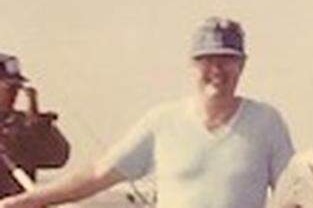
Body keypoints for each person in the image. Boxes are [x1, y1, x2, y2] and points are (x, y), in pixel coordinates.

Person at [0, 18, 296, 208]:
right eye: (207, 60)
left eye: (226, 60)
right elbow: (97, 174)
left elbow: (295, 196)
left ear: (242, 65)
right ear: (193, 65)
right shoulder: (162, 122)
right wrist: (29, 200)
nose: (217, 70)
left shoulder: (266, 122)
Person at [0, 55, 69, 199]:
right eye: (8, 87)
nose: (14, 94)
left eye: (16, 88)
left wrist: (38, 127)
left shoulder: (21, 126)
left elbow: (58, 157)